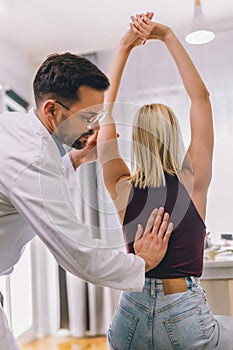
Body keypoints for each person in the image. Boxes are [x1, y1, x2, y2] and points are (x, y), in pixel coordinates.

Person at [0, 52, 173, 349]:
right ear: (51, 109)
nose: (94, 128)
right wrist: (141, 262)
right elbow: (79, 253)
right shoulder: (29, 159)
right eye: (87, 117)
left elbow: (43, 179)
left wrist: (76, 160)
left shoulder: (16, 127)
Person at [97, 12, 233, 350]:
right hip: (184, 313)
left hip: (130, 314)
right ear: (174, 135)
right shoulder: (192, 179)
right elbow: (201, 99)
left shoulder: (121, 185)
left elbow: (104, 115)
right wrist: (167, 35)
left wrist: (123, 47)